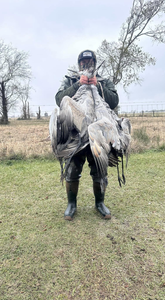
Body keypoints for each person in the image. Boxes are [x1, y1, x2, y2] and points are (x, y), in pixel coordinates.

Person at [55, 50, 119, 221]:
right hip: (75, 135)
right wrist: (77, 85)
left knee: (100, 169)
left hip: (98, 134)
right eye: (83, 62)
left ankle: (100, 203)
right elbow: (59, 99)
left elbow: (114, 101)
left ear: (95, 63)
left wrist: (98, 85)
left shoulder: (104, 81)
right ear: (79, 64)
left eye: (90, 61)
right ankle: (71, 205)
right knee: (72, 170)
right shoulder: (69, 79)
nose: (86, 64)